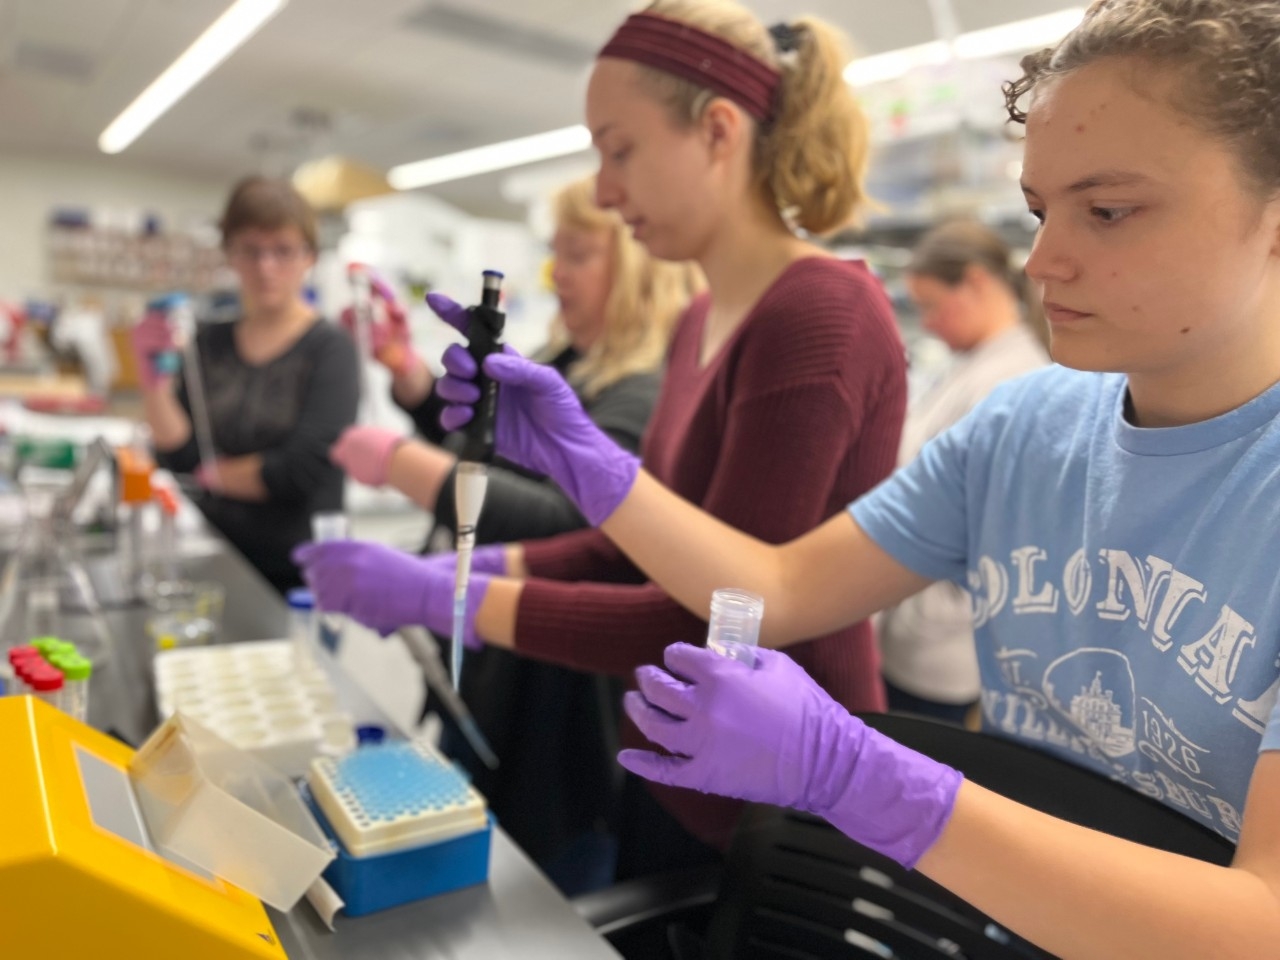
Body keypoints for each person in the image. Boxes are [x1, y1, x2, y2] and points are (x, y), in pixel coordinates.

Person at [385, 0, 1280, 953]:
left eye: (1108, 211)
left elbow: (1261, 920)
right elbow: (778, 587)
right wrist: (589, 464)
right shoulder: (1024, 429)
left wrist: (862, 777)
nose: (1041, 261)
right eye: (1037, 211)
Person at [296, 0, 908, 878]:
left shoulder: (820, 313)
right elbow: (641, 553)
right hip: (673, 761)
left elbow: (714, 620)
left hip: (778, 810)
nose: (609, 190)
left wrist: (452, 600)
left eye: (620, 151)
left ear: (718, 132)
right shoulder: (700, 317)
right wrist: (480, 564)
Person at [328, 175, 699, 893]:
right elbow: (485, 455)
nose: (558, 274)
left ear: (636, 268)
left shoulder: (643, 392)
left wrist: (404, 465)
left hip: (561, 709)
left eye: (579, 255)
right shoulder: (565, 363)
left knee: (533, 886)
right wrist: (409, 376)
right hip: (496, 672)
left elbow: (571, 525)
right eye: (556, 254)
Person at [135, 176, 358, 593]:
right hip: (214, 556)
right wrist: (152, 383)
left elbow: (299, 471)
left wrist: (209, 474)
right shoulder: (209, 341)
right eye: (251, 250)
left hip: (300, 573)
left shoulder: (331, 349)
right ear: (230, 254)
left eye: (283, 251)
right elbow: (178, 453)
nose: (265, 267)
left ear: (309, 256)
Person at [878, 221, 1049, 723]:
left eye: (932, 306)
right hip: (910, 629)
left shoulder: (1012, 381)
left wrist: (934, 611)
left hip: (938, 646)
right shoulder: (971, 364)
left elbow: (997, 537)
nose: (927, 324)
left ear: (975, 282)